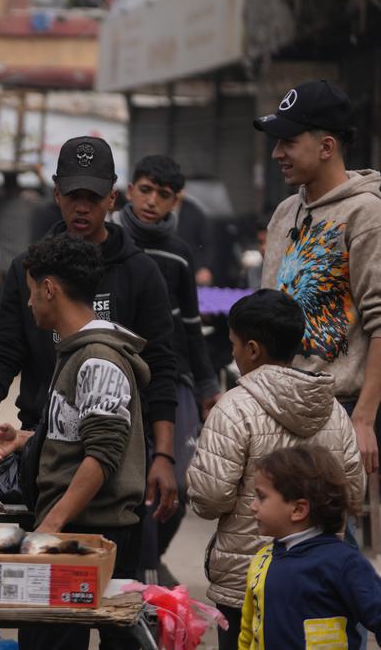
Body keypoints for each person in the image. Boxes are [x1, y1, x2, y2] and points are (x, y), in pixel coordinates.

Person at [0, 137, 182, 529]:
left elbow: (162, 367)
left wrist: (163, 455)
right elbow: (4, 351)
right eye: (73, 195)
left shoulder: (140, 272)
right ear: (56, 194)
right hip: (42, 444)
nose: (82, 207)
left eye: (92, 197)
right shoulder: (29, 269)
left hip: (117, 448)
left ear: (112, 198)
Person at [0, 234, 148, 650]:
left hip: (90, 531)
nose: (30, 302)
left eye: (32, 292)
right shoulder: (75, 353)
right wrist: (25, 440)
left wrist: (51, 525)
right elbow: (82, 433)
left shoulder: (97, 360)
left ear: (50, 289)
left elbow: (102, 455)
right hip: (73, 526)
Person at [186, 289, 363, 650]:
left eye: (233, 345)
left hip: (246, 585)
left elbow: (209, 498)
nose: (232, 354)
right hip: (318, 582)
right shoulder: (333, 410)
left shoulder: (232, 408)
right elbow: (354, 494)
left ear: (252, 349)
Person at [256, 80, 381, 475]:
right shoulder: (284, 214)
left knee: (322, 516)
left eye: (288, 142)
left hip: (336, 412)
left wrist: (364, 418)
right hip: (275, 407)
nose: (277, 153)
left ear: (326, 147)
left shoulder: (368, 217)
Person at [118, 154, 222, 584]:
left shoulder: (178, 255)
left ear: (175, 202)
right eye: (145, 190)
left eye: (162, 195)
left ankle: (152, 558)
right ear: (129, 191)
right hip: (118, 379)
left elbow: (192, 327)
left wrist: (207, 386)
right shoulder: (111, 241)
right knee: (127, 480)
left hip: (172, 378)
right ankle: (137, 567)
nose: (151, 202)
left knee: (175, 480)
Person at [238, 445, 381, 649]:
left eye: (261, 497)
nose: (252, 506)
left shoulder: (344, 563)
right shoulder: (263, 560)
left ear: (298, 509)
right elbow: (249, 629)